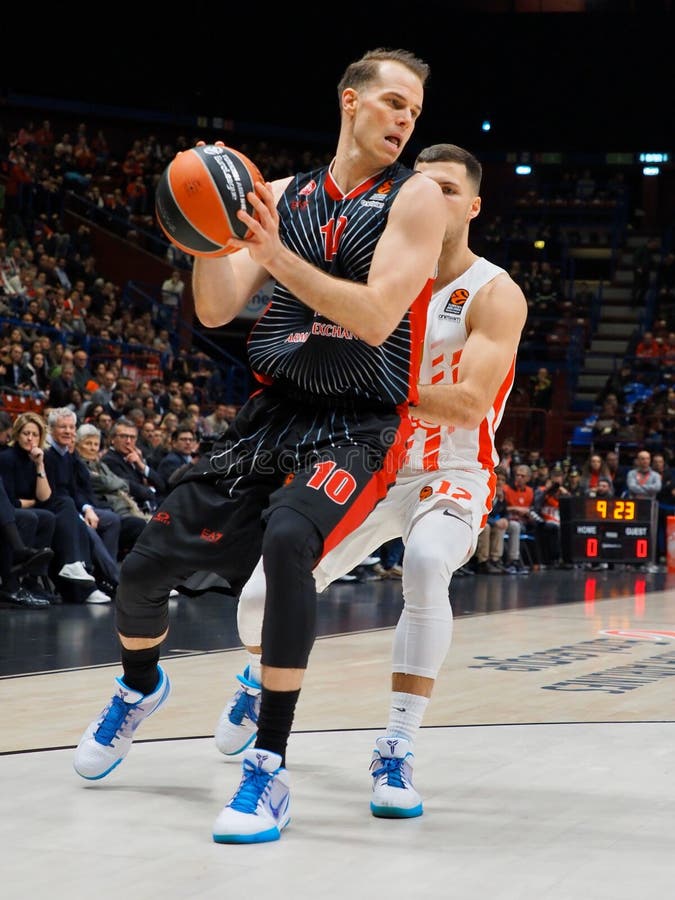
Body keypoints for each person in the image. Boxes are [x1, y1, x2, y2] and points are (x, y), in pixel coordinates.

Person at [73, 47, 447, 846]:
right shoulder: (276, 197)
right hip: (273, 413)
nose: (403, 119)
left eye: (413, 110)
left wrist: (275, 256)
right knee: (143, 565)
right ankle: (141, 687)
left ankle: (268, 770)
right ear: (349, 102)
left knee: (287, 541)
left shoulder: (415, 199)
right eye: (390, 103)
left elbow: (379, 317)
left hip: (356, 422)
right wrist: (205, 233)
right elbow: (214, 309)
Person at [212, 144, 526, 822]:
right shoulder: (372, 276)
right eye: (422, 184)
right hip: (368, 460)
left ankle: (396, 746)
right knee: (260, 597)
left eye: (447, 188)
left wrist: (360, 376)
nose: (430, 197)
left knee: (425, 562)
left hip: (448, 470)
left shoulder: (493, 292)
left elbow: (470, 401)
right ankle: (254, 677)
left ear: (471, 206)